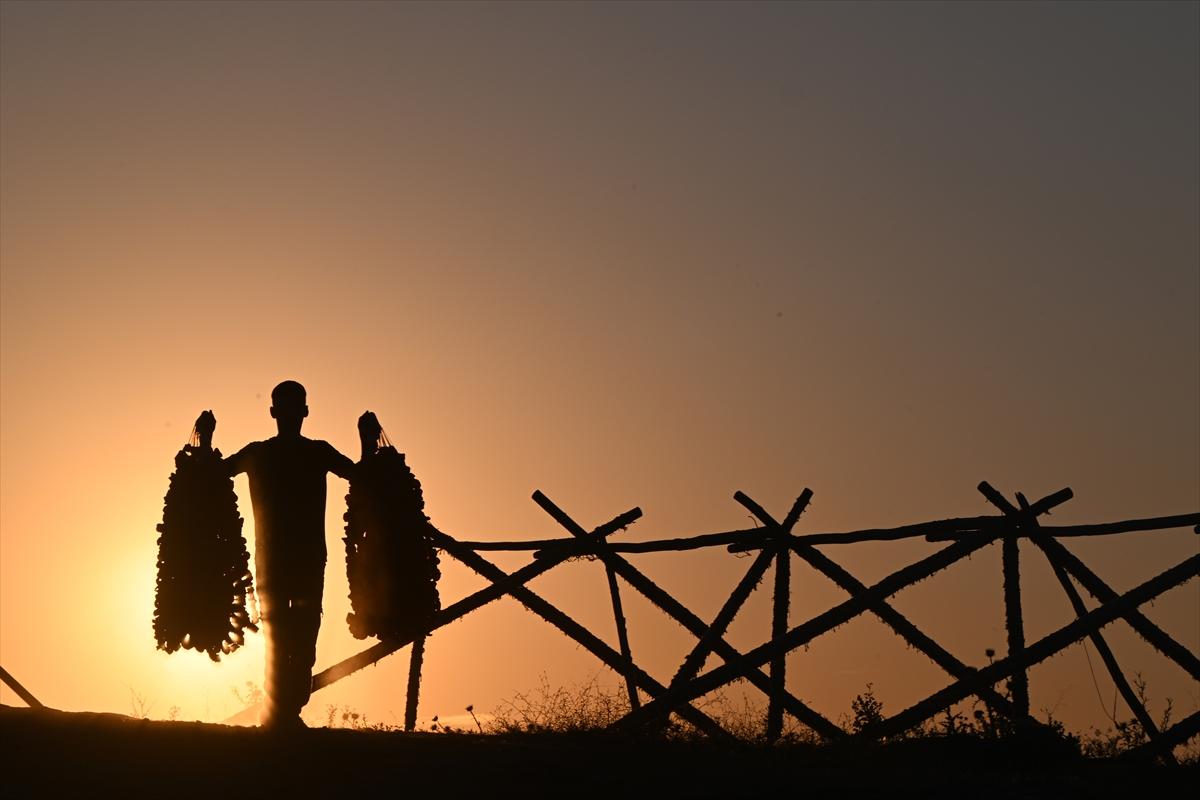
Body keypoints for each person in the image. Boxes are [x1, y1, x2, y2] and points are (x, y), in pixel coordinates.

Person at [223, 380, 356, 728]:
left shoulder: (269, 454)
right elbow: (363, 475)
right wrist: (367, 442)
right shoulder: (305, 453)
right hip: (295, 561)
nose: (291, 415)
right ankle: (284, 711)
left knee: (288, 635)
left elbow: (212, 473)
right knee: (293, 634)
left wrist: (205, 442)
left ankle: (285, 710)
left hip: (286, 561)